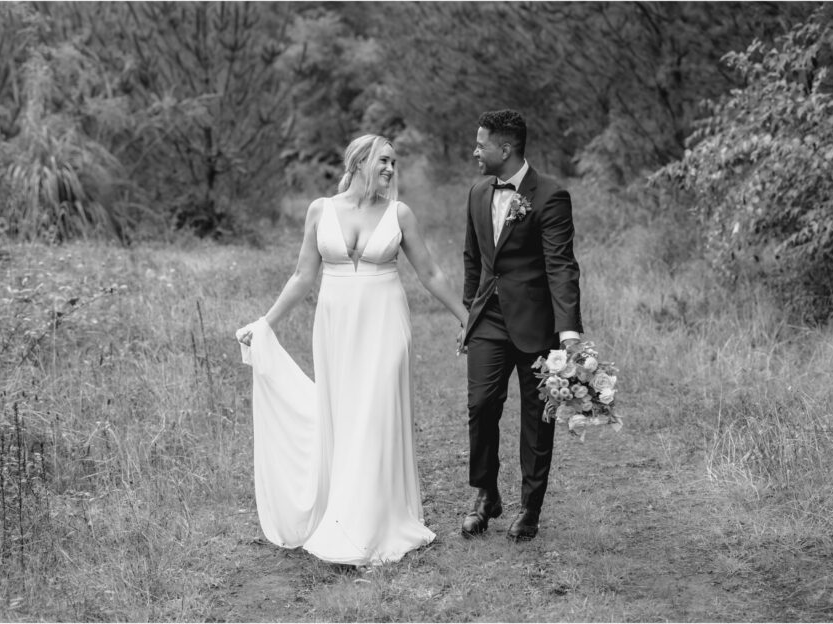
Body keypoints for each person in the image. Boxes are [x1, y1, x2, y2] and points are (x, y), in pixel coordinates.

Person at [236, 134, 469, 566]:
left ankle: (375, 523)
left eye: (394, 163)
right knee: (346, 415)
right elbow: (303, 276)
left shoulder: (400, 213)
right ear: (359, 161)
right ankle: (342, 517)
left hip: (386, 324)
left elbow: (431, 272)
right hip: (336, 327)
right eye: (383, 160)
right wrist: (265, 323)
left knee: (375, 414)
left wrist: (465, 315)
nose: (390, 169)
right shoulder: (321, 209)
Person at [459, 110, 583, 541]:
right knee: (480, 405)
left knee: (537, 416)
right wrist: (468, 315)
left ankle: (530, 507)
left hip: (536, 324)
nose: (475, 150)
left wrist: (568, 333)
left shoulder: (550, 196)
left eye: (481, 143)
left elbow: (561, 266)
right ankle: (485, 495)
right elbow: (473, 260)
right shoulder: (477, 193)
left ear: (505, 149)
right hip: (489, 320)